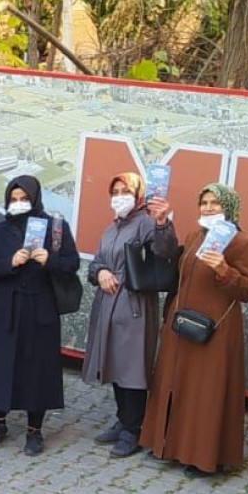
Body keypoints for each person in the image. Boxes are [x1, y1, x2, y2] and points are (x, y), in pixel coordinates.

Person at [139, 184, 248, 475]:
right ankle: (169, 446)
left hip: (215, 330)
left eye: (215, 203)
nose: (208, 208)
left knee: (205, 393)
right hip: (181, 325)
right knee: (176, 385)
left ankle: (205, 458)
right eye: (204, 202)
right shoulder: (195, 237)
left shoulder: (242, 243)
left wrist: (223, 270)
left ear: (229, 208)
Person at [0, 175, 80, 455]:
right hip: (4, 306)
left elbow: (72, 263)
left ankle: (34, 430)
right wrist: (10, 262)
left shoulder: (55, 227)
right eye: (14, 199)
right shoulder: (0, 230)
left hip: (39, 306)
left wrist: (49, 260)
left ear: (35, 199)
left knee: (37, 368)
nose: (19, 203)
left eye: (24, 199)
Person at [82, 172, 172, 458]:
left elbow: (165, 252)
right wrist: (101, 272)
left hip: (134, 305)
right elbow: (96, 262)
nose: (119, 197)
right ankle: (123, 419)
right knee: (115, 364)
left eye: (126, 191)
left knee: (133, 367)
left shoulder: (146, 222)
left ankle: (134, 429)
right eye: (115, 192)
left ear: (138, 194)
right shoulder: (111, 229)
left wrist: (162, 223)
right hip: (108, 303)